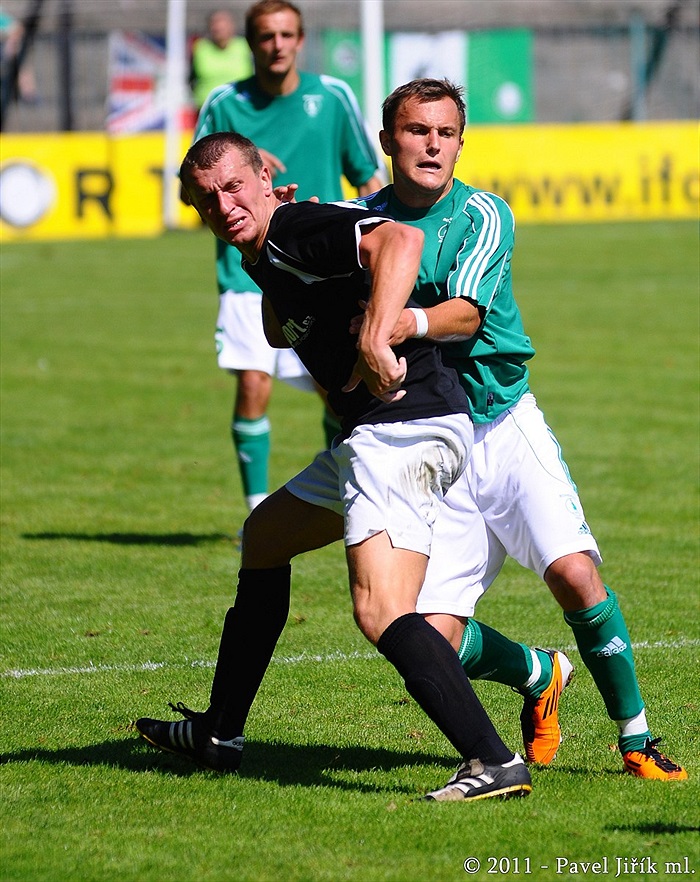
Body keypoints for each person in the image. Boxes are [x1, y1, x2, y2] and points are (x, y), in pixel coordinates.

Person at [135, 131, 532, 803]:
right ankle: (220, 733)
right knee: (265, 537)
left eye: (235, 186)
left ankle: (493, 760)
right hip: (376, 434)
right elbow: (273, 329)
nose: (224, 204)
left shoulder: (292, 225)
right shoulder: (274, 243)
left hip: (403, 427)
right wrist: (269, 251)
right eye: (208, 199)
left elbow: (399, 242)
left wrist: (377, 334)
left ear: (265, 177)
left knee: (381, 609)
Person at [351, 78, 686, 781]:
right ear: (388, 142)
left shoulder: (483, 213)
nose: (432, 144)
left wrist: (395, 324)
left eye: (445, 132)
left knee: (574, 574)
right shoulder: (361, 223)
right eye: (417, 131)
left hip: (502, 424)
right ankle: (538, 674)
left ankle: (636, 739)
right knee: (429, 637)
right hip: (427, 447)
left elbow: (467, 315)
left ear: (461, 142)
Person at [189, 0, 383, 515]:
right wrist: (245, 159)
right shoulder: (223, 104)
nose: (276, 45)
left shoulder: (333, 97)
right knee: (254, 380)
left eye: (286, 35)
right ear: (250, 44)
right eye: (266, 36)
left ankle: (341, 490)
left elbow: (367, 177)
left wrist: (373, 235)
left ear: (300, 40)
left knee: (334, 386)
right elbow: (194, 179)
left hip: (321, 273)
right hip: (243, 273)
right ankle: (256, 508)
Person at [189, 9, 253, 110]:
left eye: (223, 26)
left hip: (240, 108)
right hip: (208, 108)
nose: (219, 29)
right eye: (215, 26)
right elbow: (191, 79)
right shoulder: (200, 48)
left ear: (232, 27)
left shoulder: (245, 47)